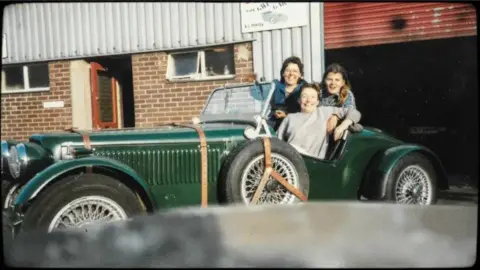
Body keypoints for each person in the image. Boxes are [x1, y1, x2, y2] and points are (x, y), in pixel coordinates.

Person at [277, 83, 361, 159]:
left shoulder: (324, 112)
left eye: (313, 97)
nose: (308, 100)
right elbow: (277, 141)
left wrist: (341, 127)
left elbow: (354, 112)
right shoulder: (290, 117)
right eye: (304, 96)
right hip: (289, 161)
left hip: (312, 161)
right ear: (299, 100)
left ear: (317, 102)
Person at [268, 56, 307, 130]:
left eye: (295, 71)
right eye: (288, 70)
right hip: (275, 127)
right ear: (283, 73)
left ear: (300, 75)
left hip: (297, 129)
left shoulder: (305, 90)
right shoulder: (274, 88)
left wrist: (286, 116)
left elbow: (307, 114)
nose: (291, 74)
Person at [319, 63, 357, 134]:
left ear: (343, 82)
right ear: (324, 80)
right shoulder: (318, 93)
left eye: (337, 80)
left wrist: (336, 116)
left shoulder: (346, 94)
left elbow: (351, 112)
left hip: (338, 132)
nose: (333, 83)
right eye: (329, 79)